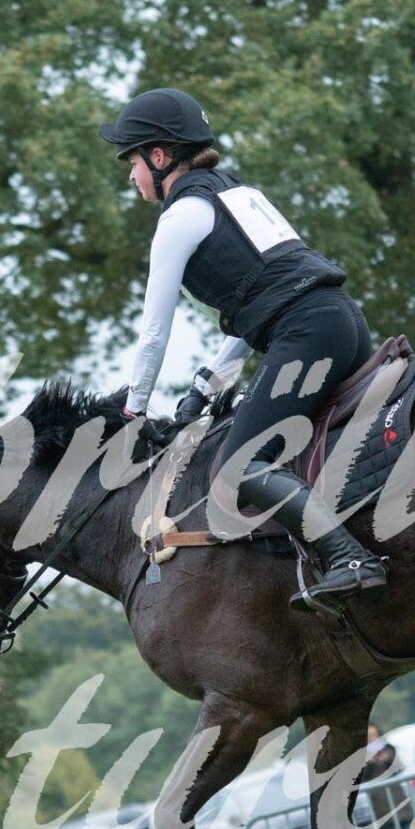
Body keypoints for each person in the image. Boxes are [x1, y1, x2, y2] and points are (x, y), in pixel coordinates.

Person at [99, 87, 389, 613]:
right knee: (299, 453)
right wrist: (206, 384)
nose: (131, 175)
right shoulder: (238, 194)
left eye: (132, 162)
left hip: (307, 334)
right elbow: (262, 305)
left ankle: (350, 559)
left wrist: (133, 410)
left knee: (239, 465)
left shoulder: (179, 218)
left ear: (159, 157)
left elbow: (154, 333)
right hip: (341, 321)